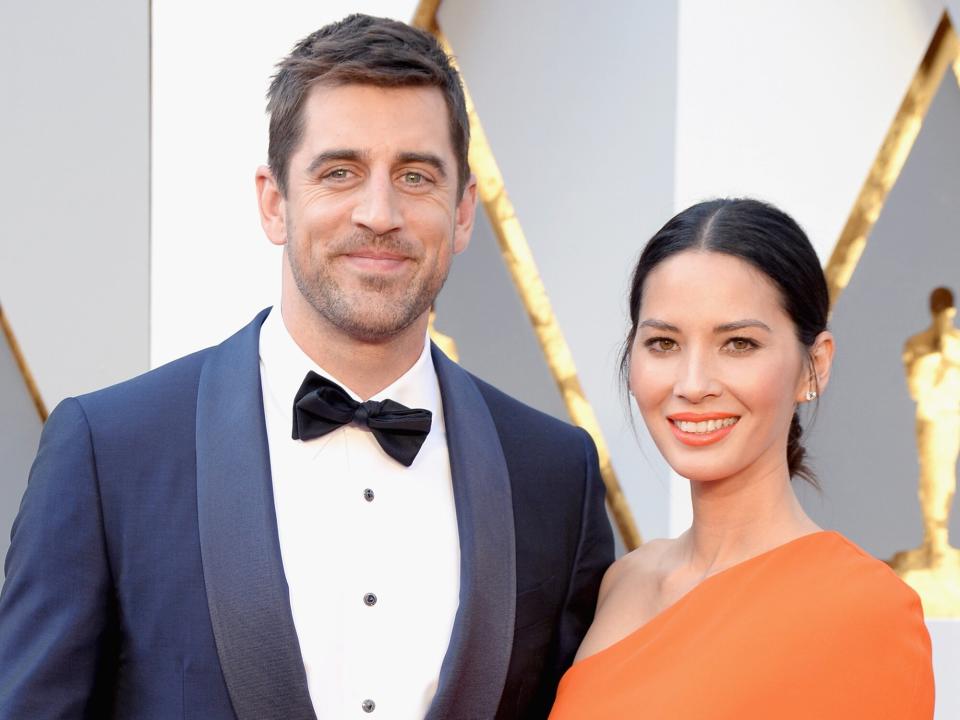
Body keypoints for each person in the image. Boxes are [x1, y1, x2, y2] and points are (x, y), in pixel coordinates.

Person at [0, 15, 613, 720]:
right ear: (274, 201)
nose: (379, 213)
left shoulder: (555, 475)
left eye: (415, 176)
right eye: (340, 172)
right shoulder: (107, 451)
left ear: (464, 211)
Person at [549, 199, 934, 719]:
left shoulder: (864, 609)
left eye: (738, 344)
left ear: (812, 366)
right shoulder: (623, 582)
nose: (693, 384)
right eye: (663, 343)